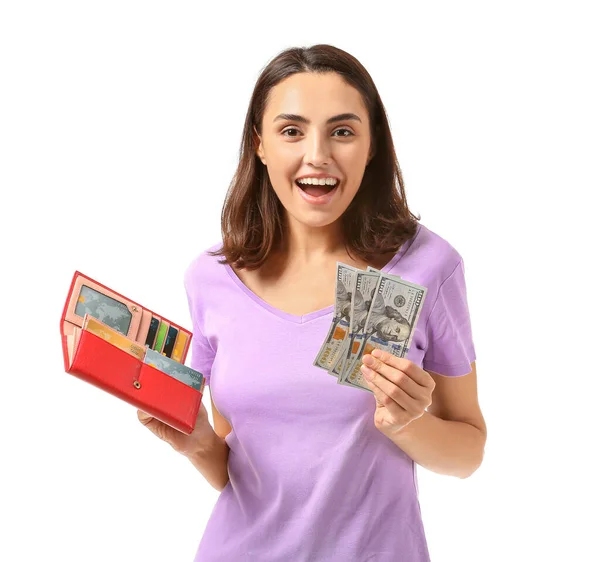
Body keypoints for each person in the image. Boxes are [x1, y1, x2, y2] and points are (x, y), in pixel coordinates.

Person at [138, 44, 487, 562]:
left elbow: (469, 453)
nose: (317, 155)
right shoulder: (211, 278)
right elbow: (242, 467)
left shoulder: (426, 266)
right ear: (259, 145)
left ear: (371, 146)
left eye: (342, 131)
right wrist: (196, 443)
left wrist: (409, 422)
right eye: (291, 130)